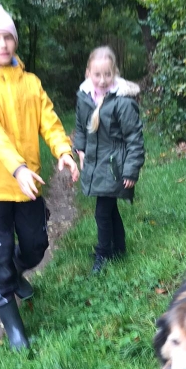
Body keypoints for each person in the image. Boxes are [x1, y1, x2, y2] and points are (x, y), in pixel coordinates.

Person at [0, 4, 79, 350]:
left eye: (8, 37)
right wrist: (17, 167)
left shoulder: (31, 82)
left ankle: (14, 273)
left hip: (28, 184)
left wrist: (63, 150)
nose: (3, 44)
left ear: (15, 41)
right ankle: (12, 322)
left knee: (36, 245)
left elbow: (49, 119)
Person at [74, 46, 145, 274]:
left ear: (115, 72)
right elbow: (81, 127)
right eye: (97, 74)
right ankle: (119, 248)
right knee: (110, 208)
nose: (103, 80)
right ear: (88, 73)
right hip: (96, 162)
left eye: (108, 74)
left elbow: (134, 138)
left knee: (102, 212)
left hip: (115, 166)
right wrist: (80, 150)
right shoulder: (85, 98)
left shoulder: (123, 102)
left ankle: (103, 253)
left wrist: (131, 170)